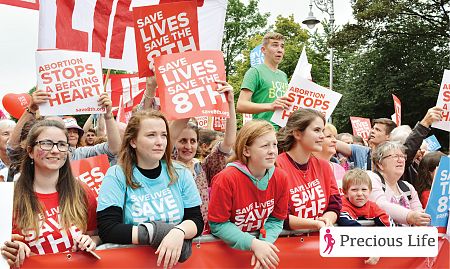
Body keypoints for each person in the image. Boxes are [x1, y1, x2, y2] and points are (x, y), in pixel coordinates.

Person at [96, 110, 203, 269]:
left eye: (164, 135)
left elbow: (196, 220)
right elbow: (108, 229)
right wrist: (159, 232)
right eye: (151, 135)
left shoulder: (181, 173)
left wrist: (179, 232)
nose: (160, 142)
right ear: (133, 141)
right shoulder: (116, 175)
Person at [4, 120, 99, 264]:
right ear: (30, 151)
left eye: (61, 145)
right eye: (47, 143)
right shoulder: (9, 198)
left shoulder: (82, 191)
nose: (55, 150)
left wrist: (90, 241)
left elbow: (95, 235)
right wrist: (10, 247)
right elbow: (4, 247)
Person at [208, 120, 289, 269]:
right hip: (222, 256)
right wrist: (253, 244)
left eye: (274, 145)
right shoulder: (226, 179)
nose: (272, 151)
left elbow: (276, 220)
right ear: (246, 151)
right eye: (265, 146)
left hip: (255, 252)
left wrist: (265, 244)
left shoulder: (281, 177)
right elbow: (218, 224)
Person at [276, 109, 342, 230]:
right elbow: (278, 215)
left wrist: (327, 219)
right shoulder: (276, 166)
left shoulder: (325, 166)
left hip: (320, 243)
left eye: (322, 130)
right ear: (297, 134)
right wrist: (314, 224)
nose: (322, 136)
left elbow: (335, 205)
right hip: (286, 245)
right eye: (317, 130)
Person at [336, 106, 443, 172]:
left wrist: (424, 123)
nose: (372, 131)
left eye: (378, 130)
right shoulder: (360, 151)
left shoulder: (394, 158)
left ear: (388, 137)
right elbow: (333, 143)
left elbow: (409, 149)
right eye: (373, 128)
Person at [236, 32, 292, 129]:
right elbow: (241, 105)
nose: (280, 50)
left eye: (282, 46)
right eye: (275, 45)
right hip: (263, 131)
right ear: (263, 50)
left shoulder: (283, 75)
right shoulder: (255, 72)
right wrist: (271, 106)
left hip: (284, 133)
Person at [368, 141, 431, 226]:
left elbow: (418, 212)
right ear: (380, 164)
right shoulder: (371, 178)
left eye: (402, 156)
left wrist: (422, 219)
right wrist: (410, 216)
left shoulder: (408, 187)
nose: (400, 160)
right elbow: (380, 205)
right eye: (395, 156)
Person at [313, 123, 346, 195]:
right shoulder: (307, 169)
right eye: (329, 136)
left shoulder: (339, 168)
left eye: (335, 137)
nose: (334, 140)